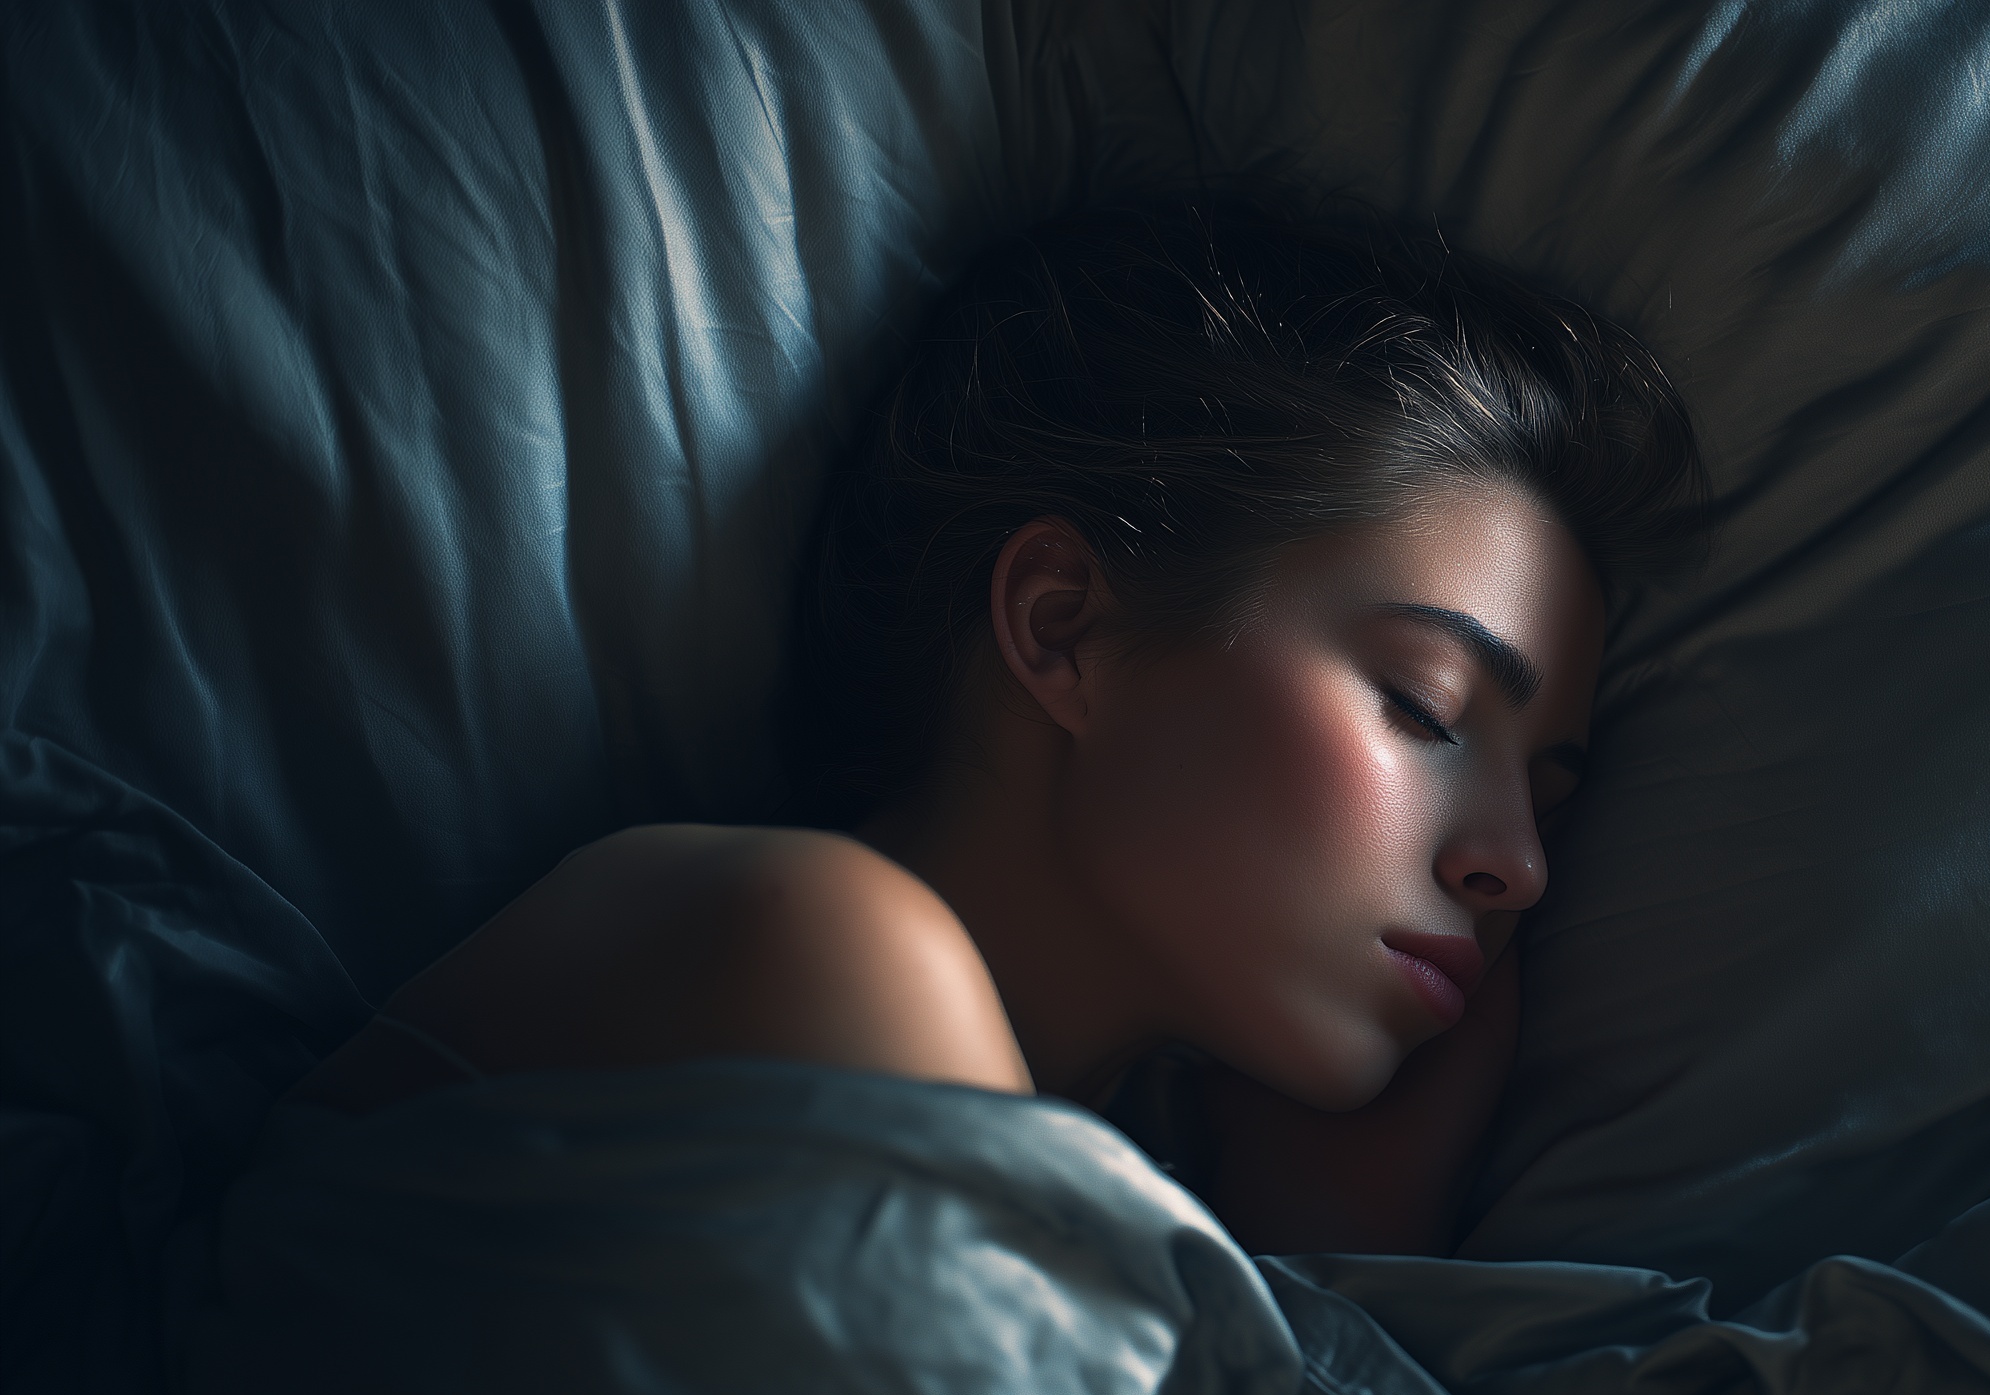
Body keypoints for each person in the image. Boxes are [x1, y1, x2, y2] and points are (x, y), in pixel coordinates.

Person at [289, 195, 1705, 1255]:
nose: (1520, 866)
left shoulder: (1090, 1185)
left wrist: (1332, 1244)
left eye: (1548, 794)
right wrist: (1334, 1280)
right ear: (1061, 627)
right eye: (1426, 707)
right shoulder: (808, 939)